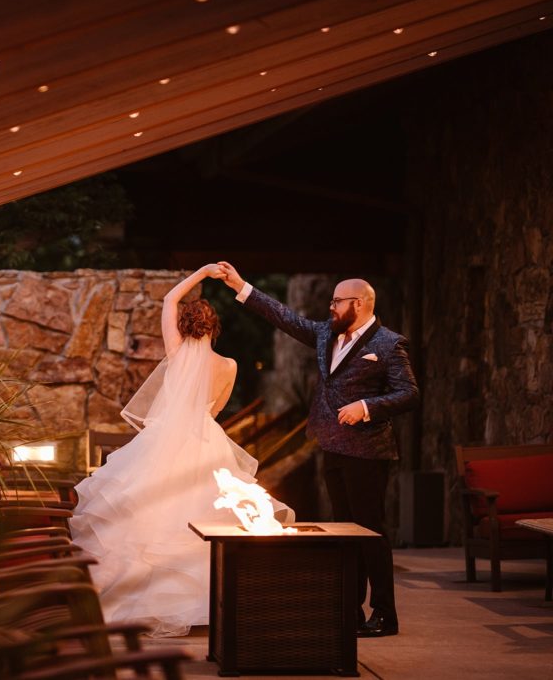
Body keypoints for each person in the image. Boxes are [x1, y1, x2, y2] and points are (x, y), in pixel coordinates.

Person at [69, 264, 292, 638]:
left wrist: (203, 273)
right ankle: (206, 603)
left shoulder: (175, 353)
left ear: (184, 326)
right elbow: (217, 409)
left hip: (164, 440)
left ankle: (126, 596)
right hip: (205, 440)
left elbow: (171, 297)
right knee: (203, 516)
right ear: (214, 327)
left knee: (144, 515)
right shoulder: (229, 366)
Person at [211, 261, 419, 638]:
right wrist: (241, 285)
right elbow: (284, 317)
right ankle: (350, 611)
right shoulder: (326, 335)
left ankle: (385, 614)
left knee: (371, 532)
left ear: (360, 304)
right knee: (343, 531)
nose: (331, 307)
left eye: (338, 301)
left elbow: (409, 393)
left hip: (369, 452)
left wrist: (367, 407)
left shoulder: (389, 344)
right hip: (332, 447)